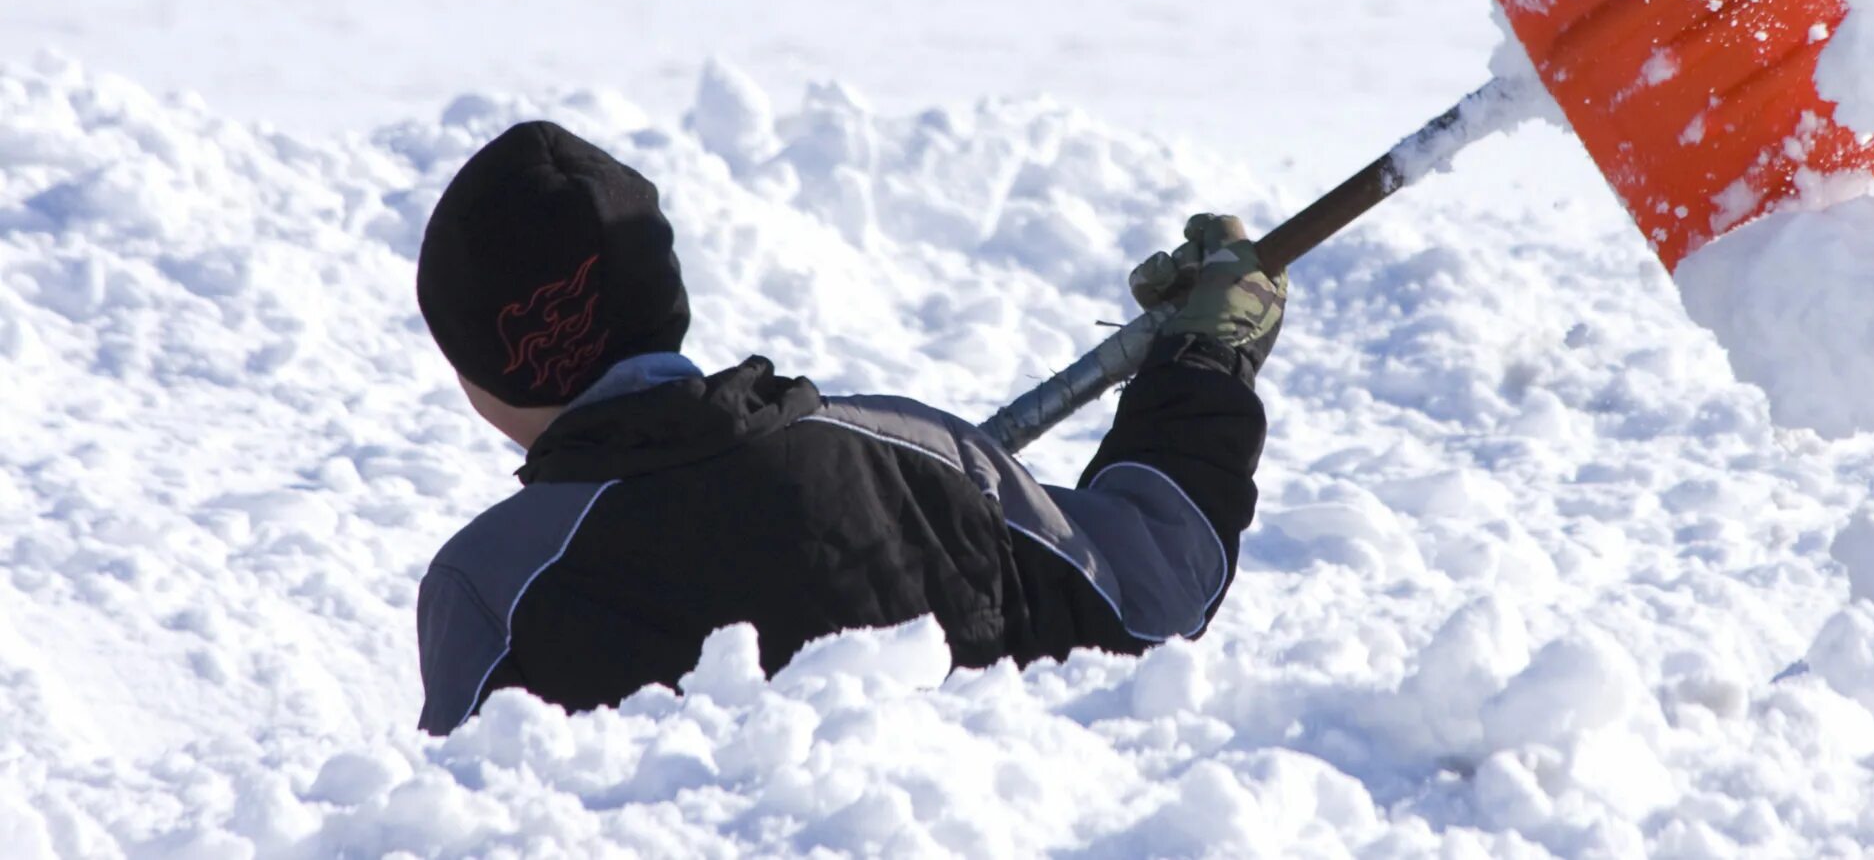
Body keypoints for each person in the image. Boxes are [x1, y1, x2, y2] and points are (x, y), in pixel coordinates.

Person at [411, 120, 1285, 735]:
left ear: (479, 368)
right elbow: (1153, 586)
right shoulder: (924, 462)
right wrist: (1207, 356)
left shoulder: (488, 587)